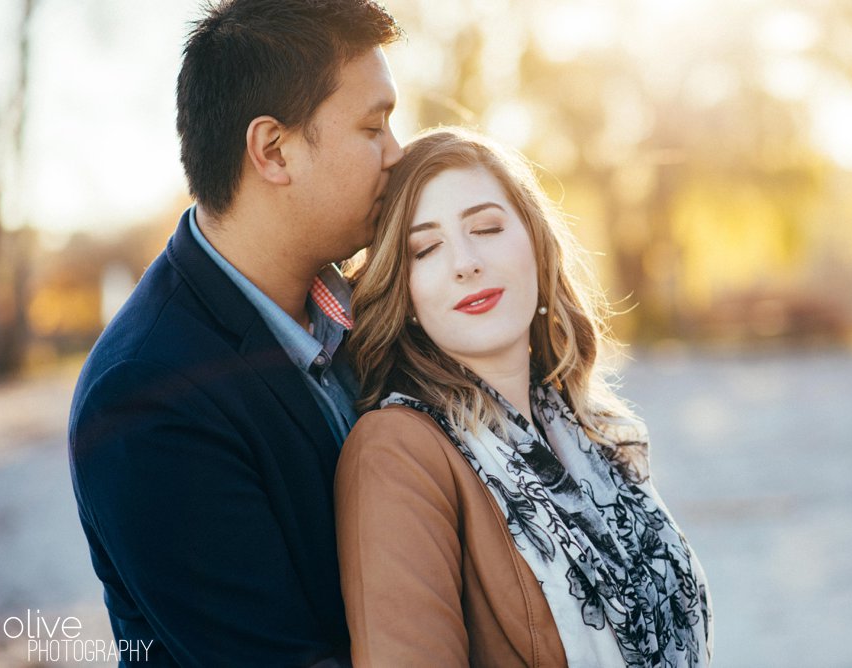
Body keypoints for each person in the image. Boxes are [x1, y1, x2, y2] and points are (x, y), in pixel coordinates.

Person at [67, 1, 402, 664]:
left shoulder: (363, 306)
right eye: (374, 126)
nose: (397, 153)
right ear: (273, 151)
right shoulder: (147, 396)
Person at [337, 127, 713, 667]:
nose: (464, 261)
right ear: (406, 292)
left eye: (486, 228)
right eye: (427, 247)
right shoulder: (396, 453)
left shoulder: (591, 433)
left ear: (536, 245)